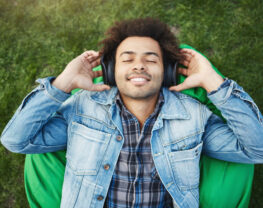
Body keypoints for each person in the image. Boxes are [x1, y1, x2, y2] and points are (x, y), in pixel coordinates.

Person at [1, 18, 263, 208]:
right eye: (127, 59)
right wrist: (62, 84)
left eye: (151, 59)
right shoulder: (81, 109)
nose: (139, 65)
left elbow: (257, 149)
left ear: (168, 72)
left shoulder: (195, 117)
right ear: (111, 69)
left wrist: (213, 82)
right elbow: (16, 140)